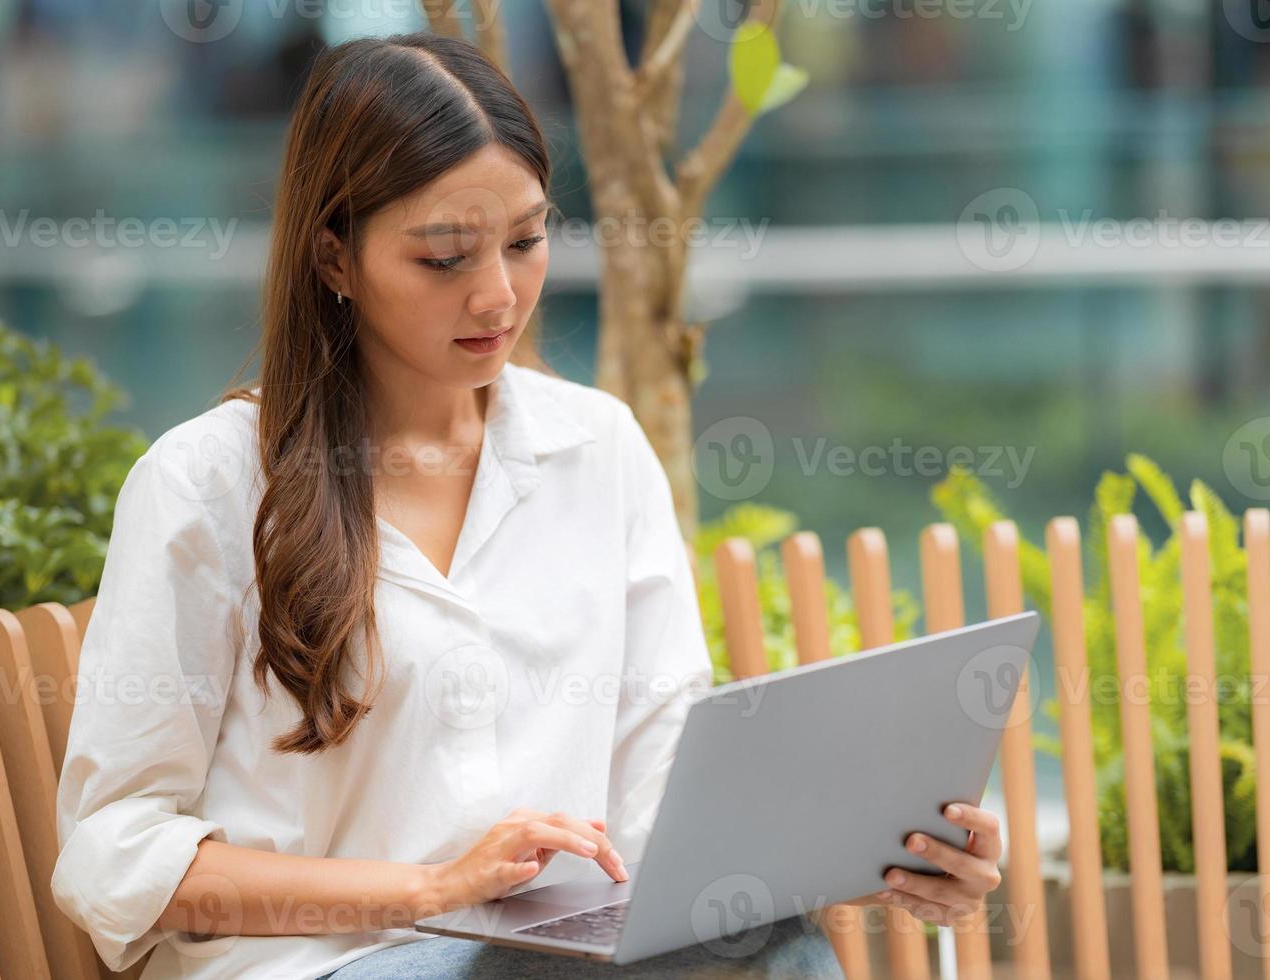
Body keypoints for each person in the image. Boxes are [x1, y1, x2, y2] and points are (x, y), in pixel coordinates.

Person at [51, 31, 1004, 980]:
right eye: (443, 258)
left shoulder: (599, 449)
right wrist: (430, 892)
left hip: (553, 958)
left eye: (525, 240)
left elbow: (658, 796)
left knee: (764, 940)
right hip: (322, 965)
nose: (498, 296)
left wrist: (875, 857)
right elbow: (114, 853)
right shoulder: (208, 484)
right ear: (334, 258)